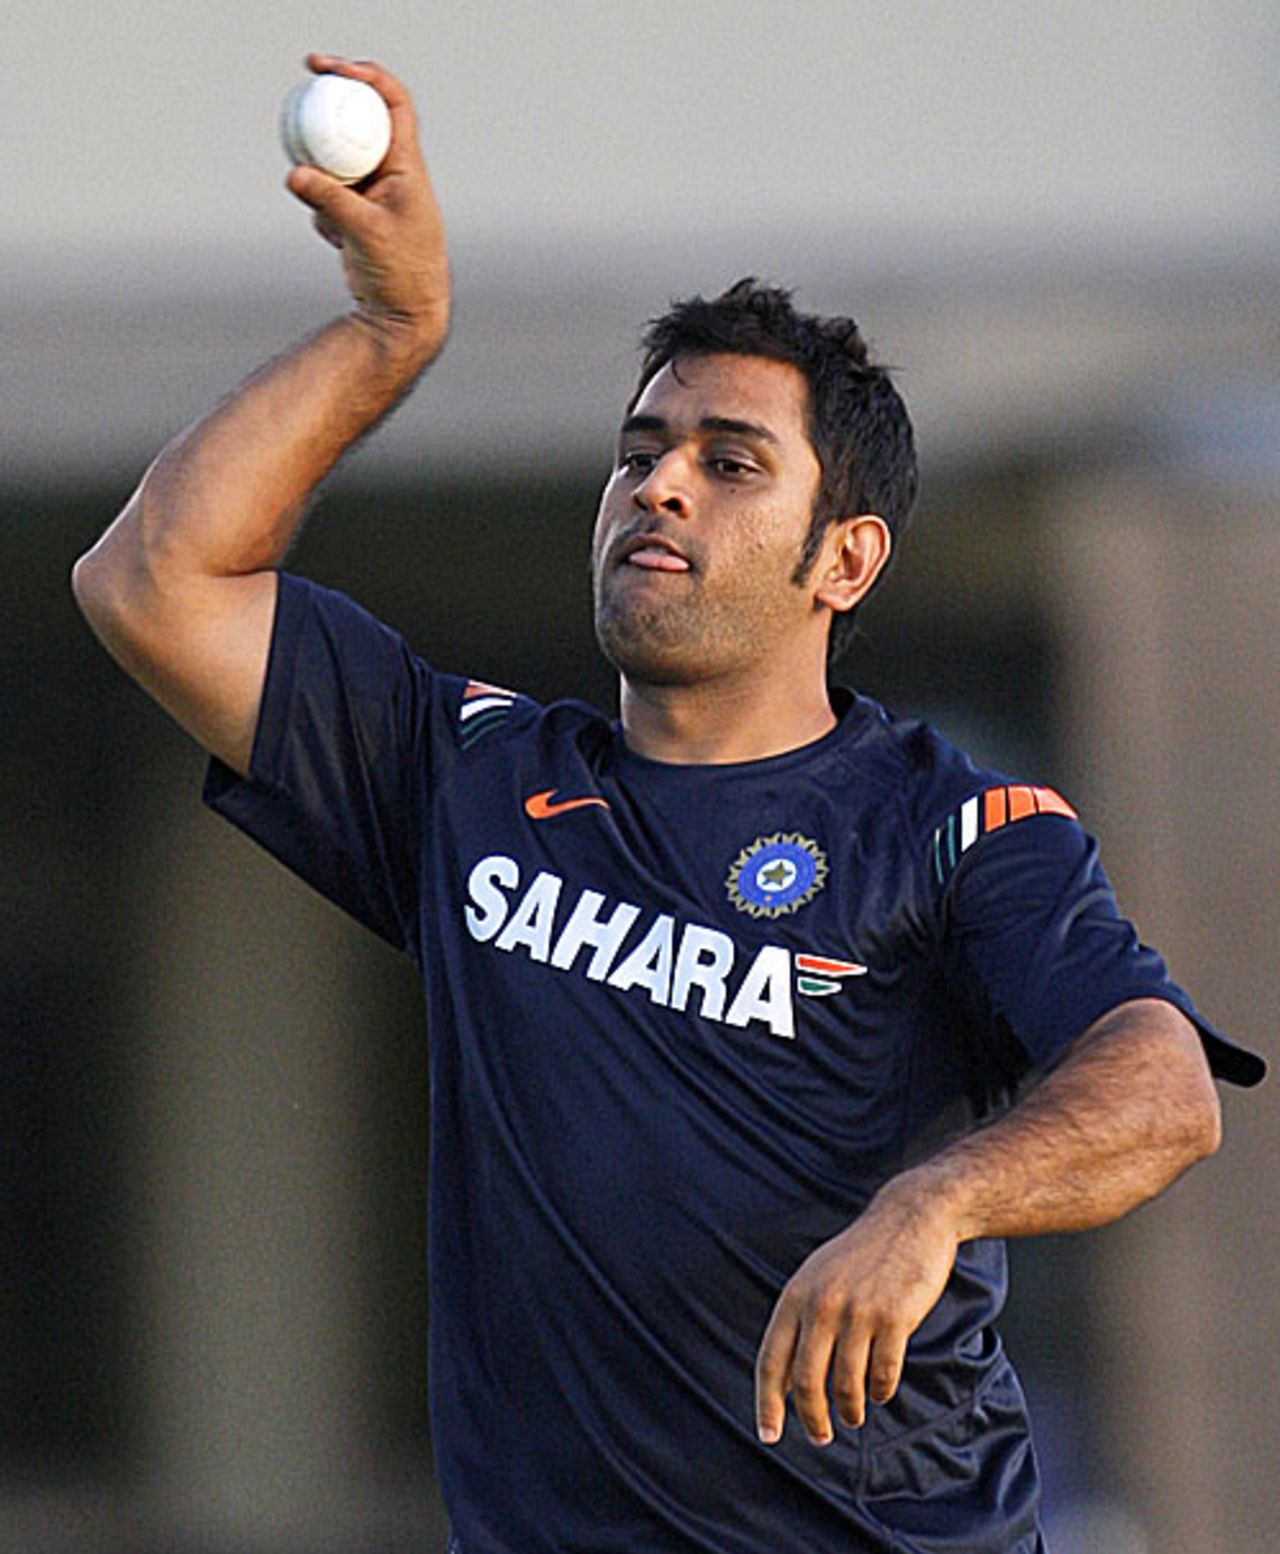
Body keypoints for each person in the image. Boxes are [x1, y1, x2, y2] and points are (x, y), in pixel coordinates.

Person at [73, 54, 1264, 1554]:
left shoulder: (954, 828)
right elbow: (150, 580)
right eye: (640, 453)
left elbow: (1161, 1091)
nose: (661, 488)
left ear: (845, 560)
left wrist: (932, 1205)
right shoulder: (470, 776)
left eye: (729, 461)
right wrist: (391, 334)